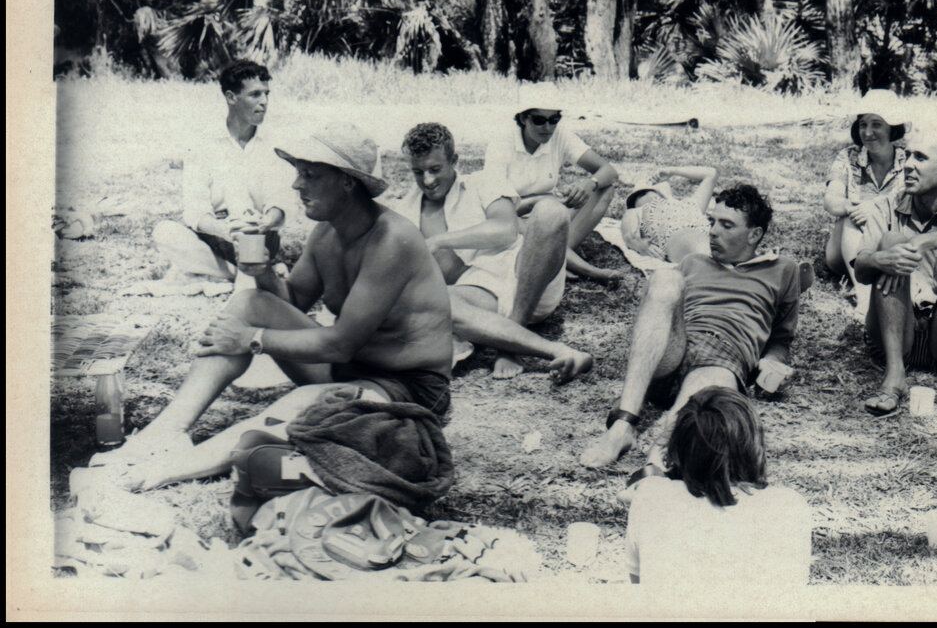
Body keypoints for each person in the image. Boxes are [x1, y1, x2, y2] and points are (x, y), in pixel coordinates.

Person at [91, 125, 454, 489]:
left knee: (301, 401)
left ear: (347, 182)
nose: (297, 185)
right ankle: (166, 433)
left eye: (309, 175)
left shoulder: (391, 239)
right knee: (250, 301)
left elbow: (341, 344)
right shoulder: (327, 232)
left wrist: (251, 339)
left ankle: (163, 470)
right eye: (299, 173)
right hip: (352, 368)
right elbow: (291, 302)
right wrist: (263, 270)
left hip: (409, 386)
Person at [580, 184, 800, 469]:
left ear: (754, 235)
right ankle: (622, 426)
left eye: (726, 225)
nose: (713, 232)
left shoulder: (783, 269)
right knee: (664, 278)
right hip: (676, 347)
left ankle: (658, 459)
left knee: (683, 425)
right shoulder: (693, 262)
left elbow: (781, 338)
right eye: (712, 222)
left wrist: (772, 363)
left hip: (724, 356)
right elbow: (661, 312)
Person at [395, 122, 593, 382]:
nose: (427, 181)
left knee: (551, 212)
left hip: (529, 273)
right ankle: (558, 351)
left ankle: (510, 344)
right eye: (418, 172)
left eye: (435, 169)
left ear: (454, 161)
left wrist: (438, 241)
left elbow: (506, 229)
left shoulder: (483, 181)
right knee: (438, 302)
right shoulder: (405, 211)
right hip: (480, 290)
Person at [625, 387, 811, 585]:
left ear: (677, 448)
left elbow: (639, 582)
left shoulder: (650, 496)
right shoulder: (789, 505)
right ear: (754, 447)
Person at [853, 128, 937, 414]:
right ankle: (895, 377)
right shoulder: (886, 206)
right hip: (893, 333)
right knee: (893, 241)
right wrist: (881, 259)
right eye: (907, 156)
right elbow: (861, 270)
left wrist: (925, 240)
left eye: (920, 157)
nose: (908, 164)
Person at [152, 59, 292, 288]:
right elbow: (196, 211)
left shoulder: (273, 143)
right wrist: (226, 231)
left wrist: (262, 224)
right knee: (164, 232)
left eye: (266, 94)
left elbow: (280, 202)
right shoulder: (203, 143)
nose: (264, 102)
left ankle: (234, 271)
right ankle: (242, 273)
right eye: (255, 95)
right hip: (218, 235)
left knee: (250, 238)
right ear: (231, 97)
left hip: (259, 235)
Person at [484, 83, 624, 282]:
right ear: (523, 118)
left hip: (550, 214)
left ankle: (554, 260)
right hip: (515, 218)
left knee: (604, 189)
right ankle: (588, 270)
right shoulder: (502, 142)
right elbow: (496, 209)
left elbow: (609, 171)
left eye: (554, 119)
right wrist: (541, 202)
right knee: (511, 218)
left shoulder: (559, 136)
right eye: (539, 120)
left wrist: (589, 183)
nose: (547, 127)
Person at [824, 89, 909, 320]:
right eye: (863, 125)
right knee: (850, 217)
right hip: (845, 251)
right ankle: (864, 300)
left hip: (886, 246)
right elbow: (831, 201)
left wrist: (876, 206)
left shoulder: (907, 160)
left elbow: (914, 202)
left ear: (892, 127)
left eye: (877, 124)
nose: (868, 133)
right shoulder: (848, 157)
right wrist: (853, 208)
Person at [620, 165, 718, 262]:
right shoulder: (637, 211)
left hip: (708, 233)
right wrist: (639, 245)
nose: (646, 196)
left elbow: (711, 173)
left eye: (648, 191)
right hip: (681, 236)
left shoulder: (689, 204)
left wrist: (672, 171)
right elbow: (629, 235)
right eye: (639, 196)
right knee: (705, 253)